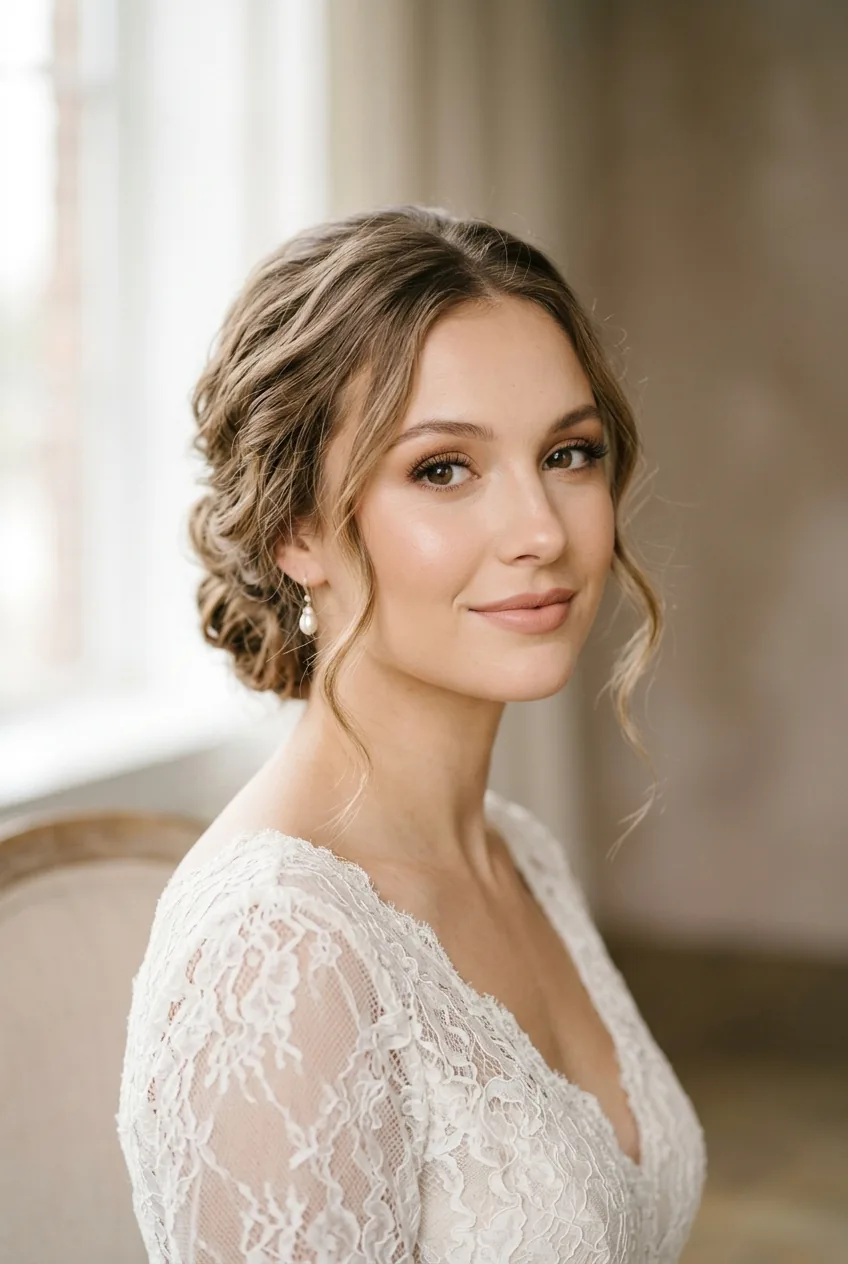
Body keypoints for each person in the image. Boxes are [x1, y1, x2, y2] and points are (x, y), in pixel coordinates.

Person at [117, 205, 706, 1262]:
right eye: (443, 468)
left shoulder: (514, 850)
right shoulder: (278, 952)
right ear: (297, 525)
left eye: (568, 453)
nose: (541, 530)